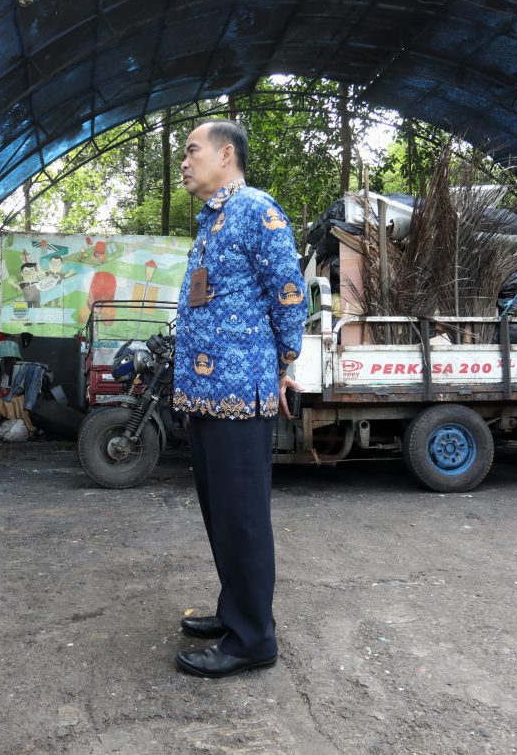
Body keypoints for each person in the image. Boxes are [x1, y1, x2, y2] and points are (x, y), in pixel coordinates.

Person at [171, 120, 307, 678]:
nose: (184, 161)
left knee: (244, 518)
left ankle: (254, 637)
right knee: (221, 514)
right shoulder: (211, 222)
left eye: (192, 151)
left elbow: (289, 292)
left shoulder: (256, 209)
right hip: (206, 394)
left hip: (240, 391)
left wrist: (282, 365)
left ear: (226, 155)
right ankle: (236, 613)